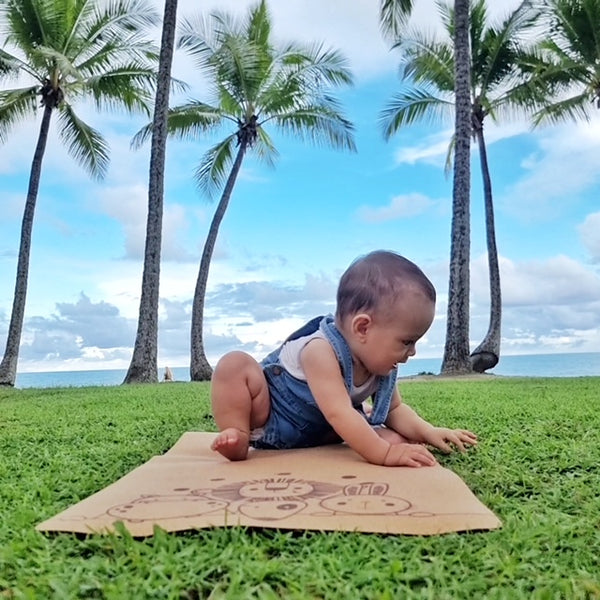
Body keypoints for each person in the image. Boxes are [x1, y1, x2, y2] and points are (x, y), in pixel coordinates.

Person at [210, 250, 477, 467]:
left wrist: (428, 431)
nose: (413, 352)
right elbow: (338, 411)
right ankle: (238, 435)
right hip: (272, 419)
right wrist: (383, 454)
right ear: (363, 328)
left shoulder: (381, 364)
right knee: (234, 364)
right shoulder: (320, 350)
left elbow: (394, 411)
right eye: (407, 341)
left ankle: (367, 439)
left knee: (399, 441)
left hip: (323, 432)